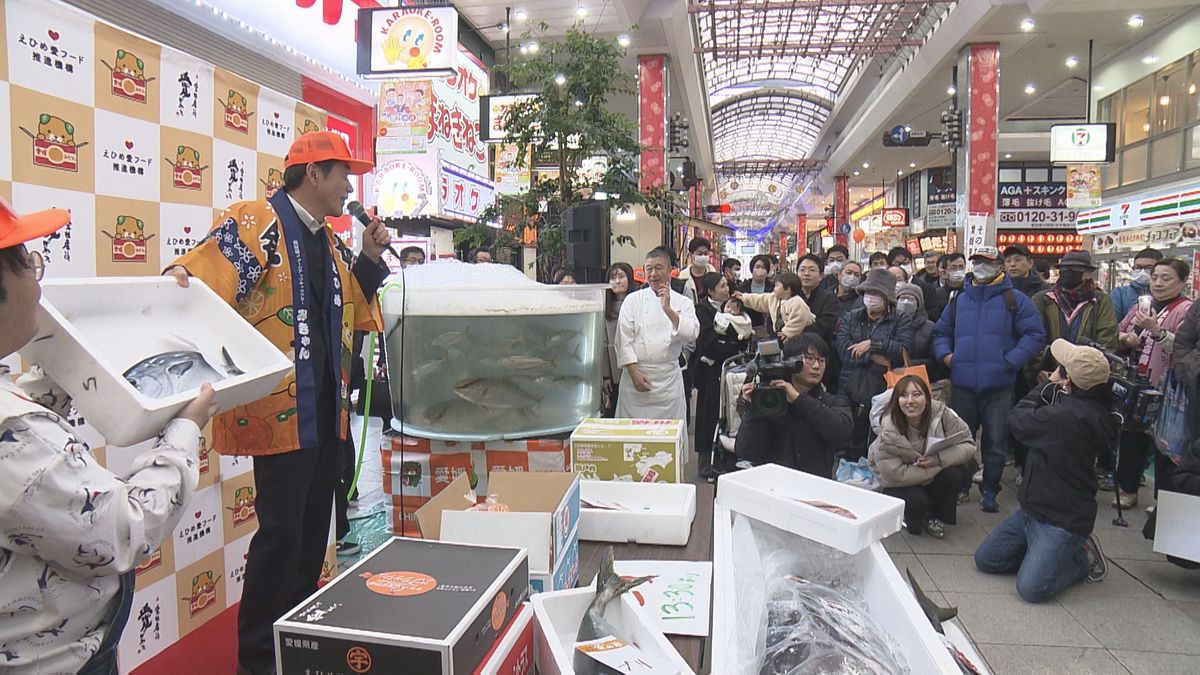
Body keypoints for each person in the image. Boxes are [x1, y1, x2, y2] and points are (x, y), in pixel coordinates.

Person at [164, 131, 391, 675]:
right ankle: (260, 662)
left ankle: (299, 645)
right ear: (312, 173)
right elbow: (201, 278)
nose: (349, 187)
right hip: (282, 417)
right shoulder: (257, 222)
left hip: (326, 417)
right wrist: (181, 279)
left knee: (312, 538)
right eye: (343, 174)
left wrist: (368, 257)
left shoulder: (330, 241)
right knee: (280, 538)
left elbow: (352, 310)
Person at [0, 203, 217, 674]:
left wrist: (67, 370)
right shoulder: (11, 434)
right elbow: (122, 529)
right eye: (29, 265)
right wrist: (184, 430)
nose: (37, 285)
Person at [974, 340, 1116, 603]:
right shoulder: (1096, 410)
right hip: (1033, 509)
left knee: (1031, 589)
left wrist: (1045, 386)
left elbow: (1017, 419)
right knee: (987, 560)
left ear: (1069, 380)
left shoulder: (1065, 418)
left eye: (1063, 369)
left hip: (1062, 521)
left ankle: (1082, 559)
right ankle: (1040, 553)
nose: (1057, 371)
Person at [933, 247, 1046, 513]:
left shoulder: (1014, 299)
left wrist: (1011, 361)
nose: (980, 267)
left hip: (999, 385)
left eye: (987, 262)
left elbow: (1034, 335)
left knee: (996, 441)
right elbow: (940, 333)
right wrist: (948, 357)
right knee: (960, 439)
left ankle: (990, 490)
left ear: (999, 266)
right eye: (976, 262)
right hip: (962, 383)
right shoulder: (958, 300)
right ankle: (960, 487)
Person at [1023, 251, 1118, 484]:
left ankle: (1081, 472)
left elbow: (1108, 337)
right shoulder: (1044, 299)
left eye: (1074, 270)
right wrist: (1037, 369)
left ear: (1087, 274)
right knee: (1044, 423)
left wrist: (1083, 369)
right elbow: (1033, 336)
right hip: (1049, 372)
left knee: (1078, 429)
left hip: (1084, 378)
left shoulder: (1100, 301)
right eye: (1064, 269)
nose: (1067, 274)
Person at [1114, 258, 1193, 508]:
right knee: (1130, 437)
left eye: (1166, 278)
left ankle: (1162, 500)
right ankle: (1127, 489)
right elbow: (1119, 330)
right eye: (1155, 276)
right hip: (1137, 381)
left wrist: (1157, 331)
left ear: (1182, 282)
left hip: (1169, 389)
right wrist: (1127, 337)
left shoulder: (1186, 309)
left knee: (1166, 446)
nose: (1158, 283)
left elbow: (1184, 347)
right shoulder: (1142, 304)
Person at [870, 375, 975, 538]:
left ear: (927, 398)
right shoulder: (889, 428)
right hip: (900, 482)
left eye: (917, 394)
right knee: (917, 506)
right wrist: (937, 466)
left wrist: (938, 459)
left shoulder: (942, 414)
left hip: (928, 470)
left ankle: (936, 514)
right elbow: (895, 475)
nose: (910, 400)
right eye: (904, 395)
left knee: (957, 473)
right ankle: (911, 514)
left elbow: (968, 444)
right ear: (897, 400)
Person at [734, 334, 853, 476]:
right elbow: (746, 451)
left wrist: (798, 399)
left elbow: (842, 435)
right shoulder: (771, 400)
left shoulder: (832, 402)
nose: (816, 366)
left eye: (821, 360)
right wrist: (754, 409)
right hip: (774, 484)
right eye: (809, 359)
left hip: (815, 487)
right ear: (790, 362)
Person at [836, 268, 914, 459]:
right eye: (868, 293)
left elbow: (902, 349)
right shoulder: (850, 317)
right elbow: (843, 350)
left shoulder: (900, 319)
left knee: (879, 440)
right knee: (849, 441)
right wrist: (871, 356)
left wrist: (872, 344)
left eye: (877, 294)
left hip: (884, 388)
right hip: (850, 386)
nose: (871, 298)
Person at [616, 248, 700, 421]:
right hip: (635, 380)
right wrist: (634, 373)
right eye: (649, 269)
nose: (653, 274)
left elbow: (692, 333)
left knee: (668, 437)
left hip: (668, 381)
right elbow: (623, 340)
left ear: (670, 271)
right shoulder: (632, 300)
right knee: (633, 437)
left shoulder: (683, 302)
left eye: (658, 268)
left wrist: (668, 310)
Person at [691, 273, 748, 479]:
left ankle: (727, 459)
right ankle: (705, 462)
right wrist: (730, 345)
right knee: (708, 415)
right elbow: (707, 344)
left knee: (729, 413)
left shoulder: (735, 308)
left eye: (727, 285)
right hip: (708, 373)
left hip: (730, 371)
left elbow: (742, 338)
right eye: (722, 286)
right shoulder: (702, 310)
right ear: (711, 290)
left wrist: (730, 344)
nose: (726, 289)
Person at [735, 272, 816, 341]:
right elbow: (760, 299)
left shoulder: (797, 302)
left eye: (777, 286)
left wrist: (787, 332)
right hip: (780, 335)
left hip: (801, 336)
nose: (774, 288)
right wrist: (744, 297)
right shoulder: (774, 298)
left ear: (787, 289)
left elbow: (799, 318)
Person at [603, 262, 638, 417]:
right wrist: (605, 376)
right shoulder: (605, 307)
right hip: (614, 369)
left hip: (637, 369)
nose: (617, 281)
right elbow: (603, 344)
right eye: (613, 277)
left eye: (621, 276)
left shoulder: (637, 304)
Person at [895, 282, 941, 381]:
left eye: (911, 299)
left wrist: (909, 364)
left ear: (918, 304)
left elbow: (934, 361)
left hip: (918, 379)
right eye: (902, 298)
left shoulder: (929, 327)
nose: (906, 302)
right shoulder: (888, 323)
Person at [794, 254, 840, 344]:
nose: (806, 274)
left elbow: (824, 327)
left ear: (821, 275)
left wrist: (793, 333)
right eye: (802, 270)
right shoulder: (789, 296)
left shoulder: (829, 298)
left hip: (818, 350)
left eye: (812, 270)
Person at [1110, 247, 1163, 323]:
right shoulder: (1120, 293)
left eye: (1149, 267)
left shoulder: (1165, 293)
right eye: (1138, 267)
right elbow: (1111, 324)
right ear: (1133, 268)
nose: (1142, 272)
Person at [928, 252, 966, 321]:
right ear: (945, 271)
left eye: (961, 267)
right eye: (953, 268)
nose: (958, 271)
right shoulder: (936, 294)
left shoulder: (971, 292)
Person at [741, 254, 775, 328]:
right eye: (757, 267)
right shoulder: (742, 288)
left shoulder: (773, 288)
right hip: (745, 326)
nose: (760, 270)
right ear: (752, 269)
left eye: (763, 267)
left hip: (767, 328)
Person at [682, 237, 718, 302]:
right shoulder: (682, 278)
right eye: (699, 254)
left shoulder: (715, 277)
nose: (703, 257)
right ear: (690, 255)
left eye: (706, 253)